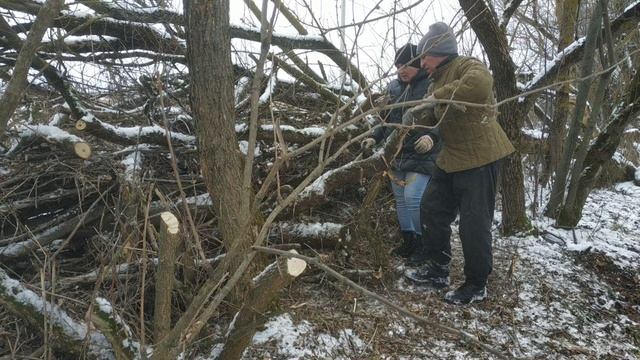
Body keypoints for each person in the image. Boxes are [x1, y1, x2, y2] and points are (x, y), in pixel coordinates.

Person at [403, 22, 515, 305]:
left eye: (425, 57)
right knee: (432, 210)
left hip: (480, 157)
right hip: (451, 156)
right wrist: (415, 118)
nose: (423, 63)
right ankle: (437, 268)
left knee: (473, 224)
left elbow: (479, 85)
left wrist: (433, 98)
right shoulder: (436, 77)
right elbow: (436, 118)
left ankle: (477, 284)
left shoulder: (468, 66)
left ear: (439, 52)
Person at [362, 43, 441, 262]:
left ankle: (425, 244)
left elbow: (442, 117)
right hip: (396, 153)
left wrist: (431, 137)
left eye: (407, 65)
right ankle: (410, 242)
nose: (401, 70)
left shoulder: (431, 86)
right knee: (400, 198)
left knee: (413, 197)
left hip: (422, 152)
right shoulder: (393, 88)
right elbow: (385, 119)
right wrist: (375, 137)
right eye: (398, 65)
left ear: (419, 64)